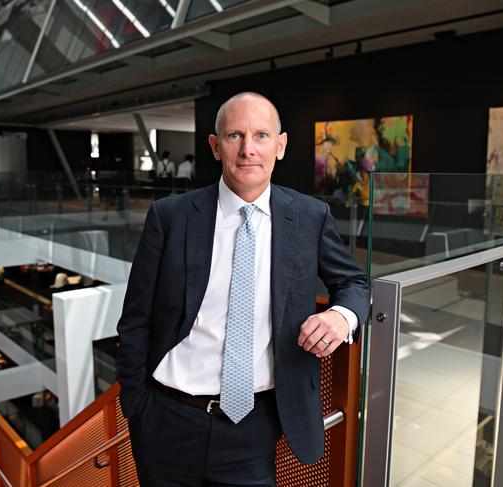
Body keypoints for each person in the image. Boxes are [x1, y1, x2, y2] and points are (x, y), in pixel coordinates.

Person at [117, 92, 370, 486]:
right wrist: (137, 405)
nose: (248, 149)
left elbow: (353, 283)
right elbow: (136, 318)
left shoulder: (308, 216)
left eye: (261, 136)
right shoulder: (170, 217)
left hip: (253, 427)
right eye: (235, 135)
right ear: (216, 147)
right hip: (166, 420)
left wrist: (342, 316)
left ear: (281, 145)